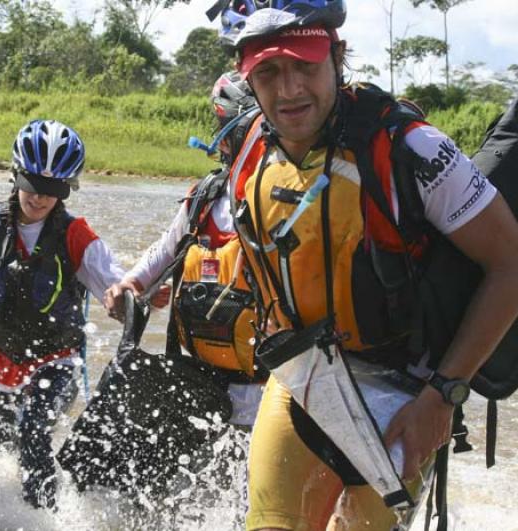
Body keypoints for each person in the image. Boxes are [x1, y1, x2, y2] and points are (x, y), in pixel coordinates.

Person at [213, 1, 518, 530]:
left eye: (305, 66)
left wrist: (443, 397)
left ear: (337, 56)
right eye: (268, 72)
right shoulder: (246, 151)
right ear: (246, 75)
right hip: (301, 385)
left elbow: (511, 264)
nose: (288, 91)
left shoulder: (412, 149)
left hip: (407, 396)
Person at [0, 119, 124, 510]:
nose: (38, 197)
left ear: (67, 189)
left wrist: (130, 297)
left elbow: (118, 285)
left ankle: (46, 517)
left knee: (33, 432)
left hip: (56, 363)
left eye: (52, 189)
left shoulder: (77, 236)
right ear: (15, 174)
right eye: (32, 183)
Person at [104, 70, 265, 430]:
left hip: (266, 399)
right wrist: (129, 287)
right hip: (201, 394)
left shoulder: (283, 204)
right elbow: (162, 252)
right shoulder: (204, 198)